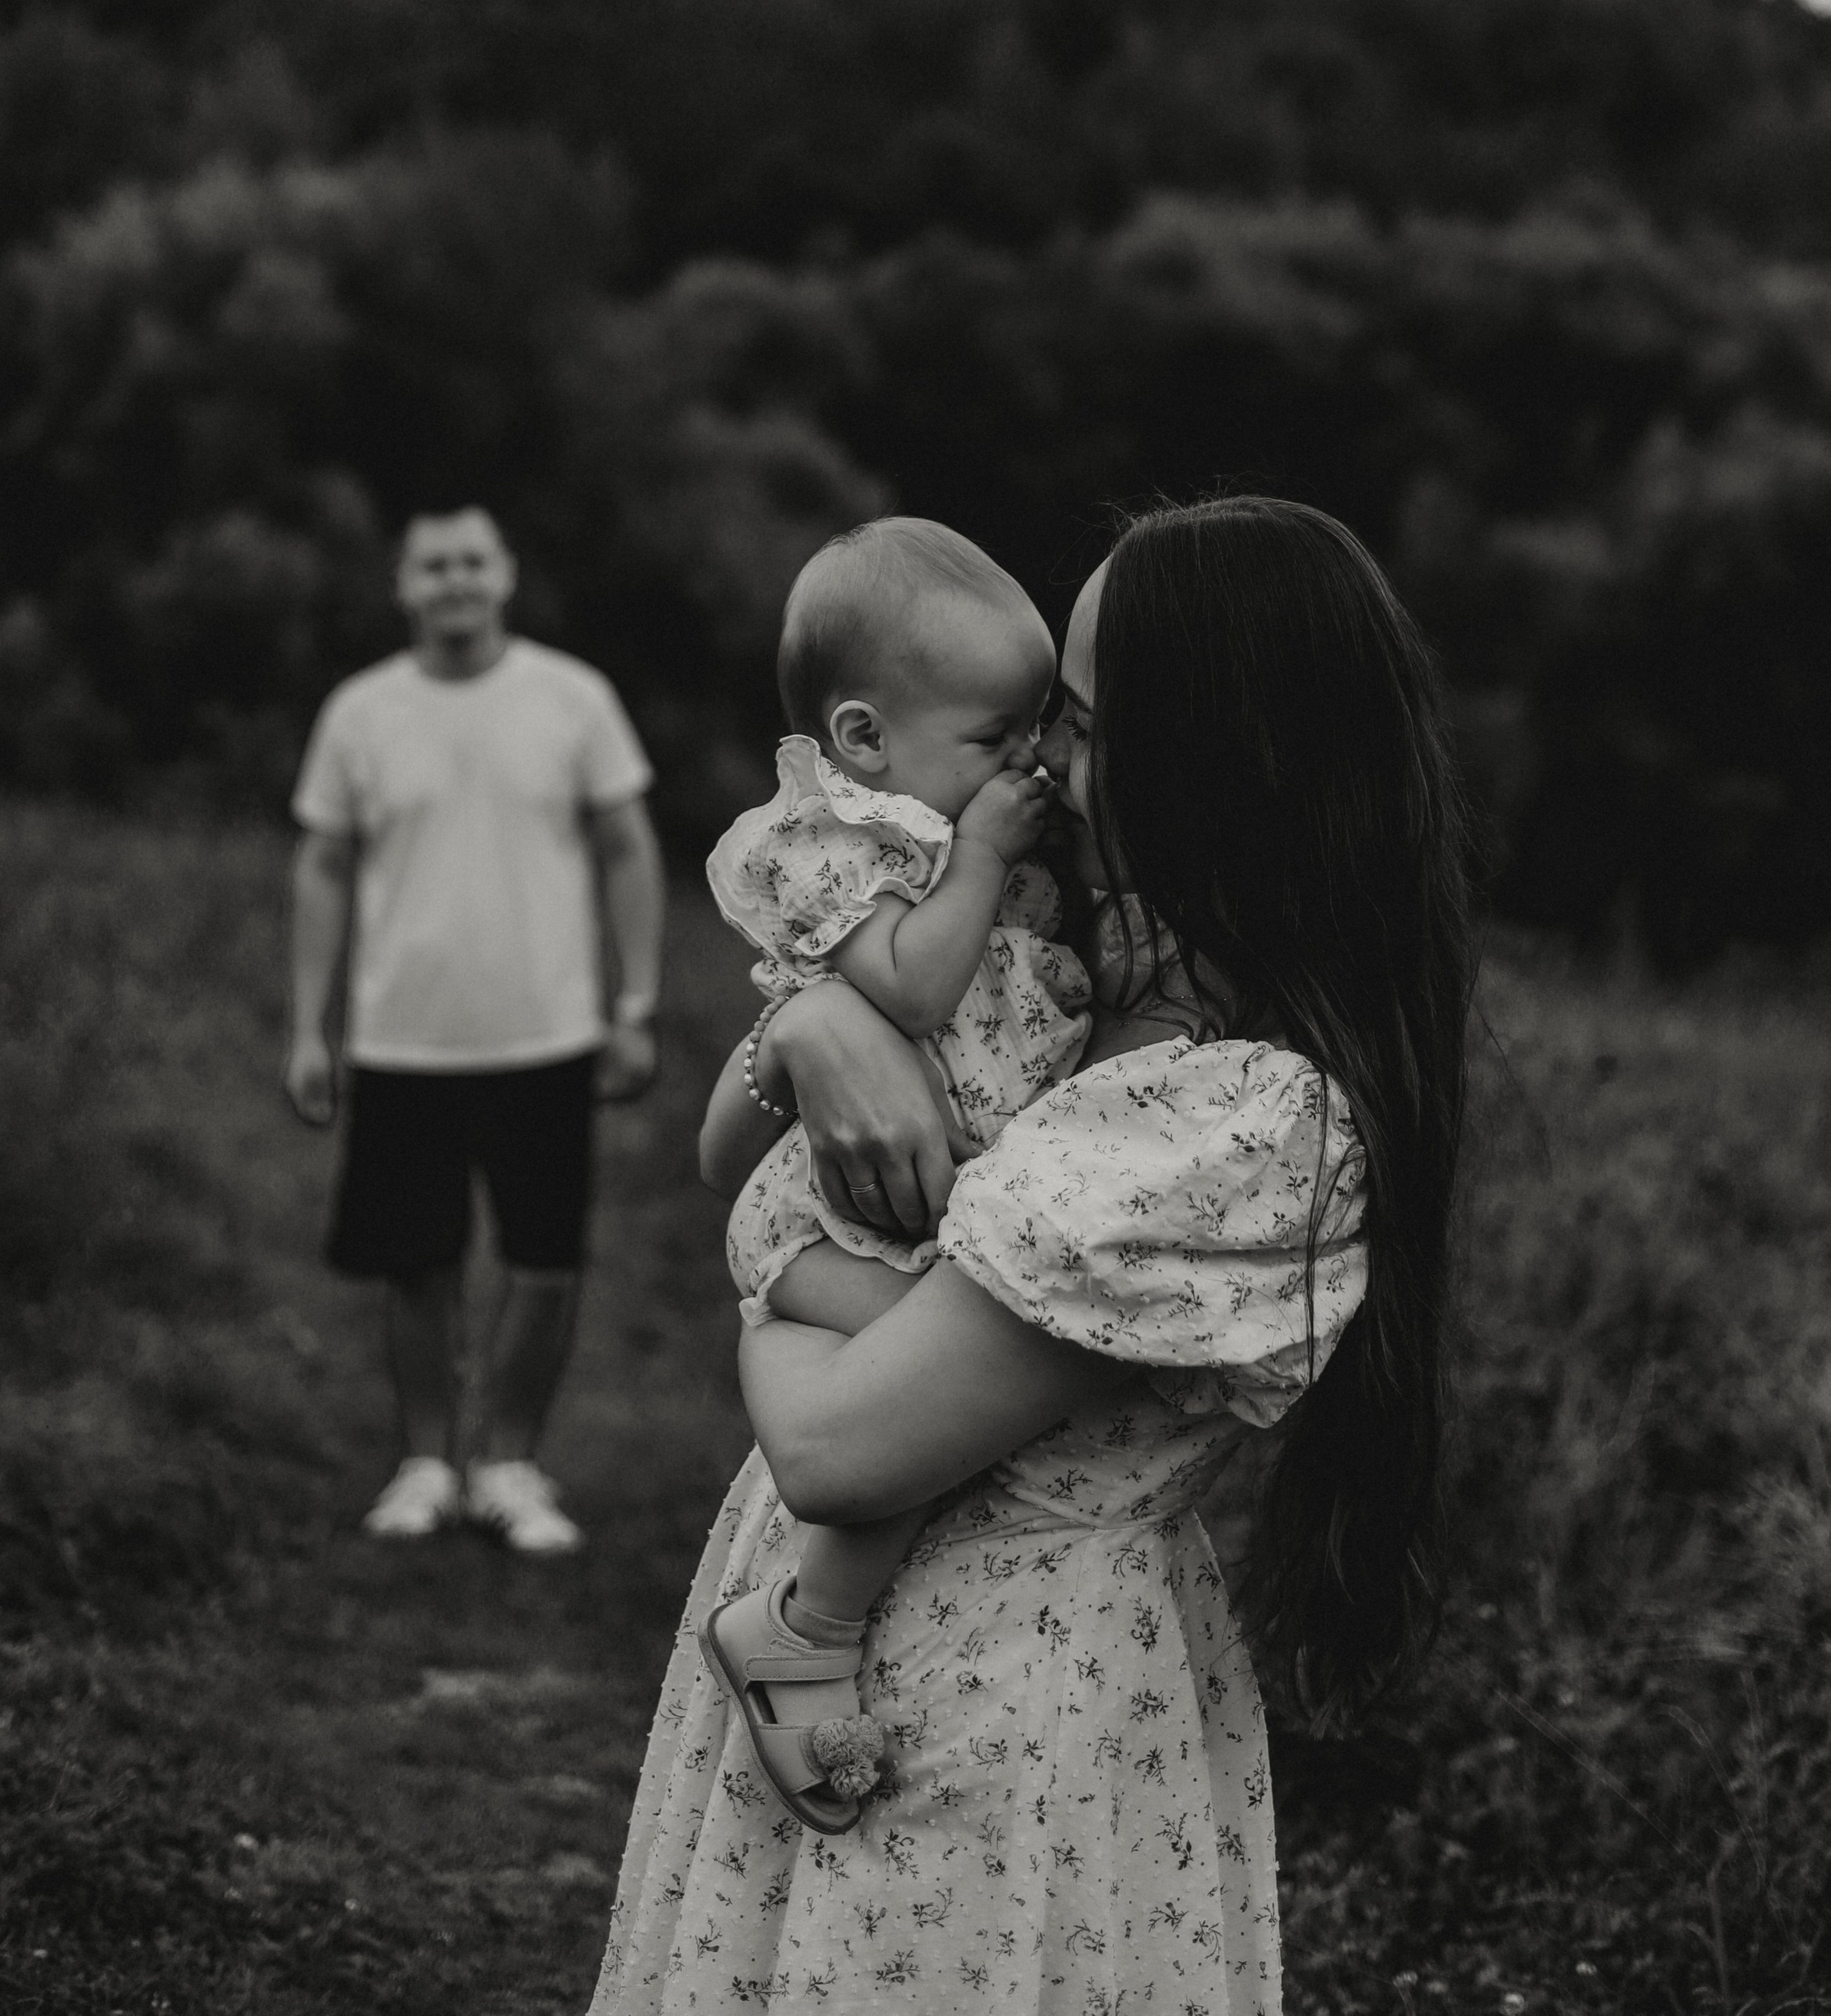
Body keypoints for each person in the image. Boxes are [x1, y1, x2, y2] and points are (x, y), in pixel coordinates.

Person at [588, 495, 1473, 2014]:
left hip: (993, 1701)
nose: (1037, 766)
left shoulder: (1247, 1113)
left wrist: (770, 1284)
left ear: (1212, 763)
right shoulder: (1085, 962)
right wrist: (806, 1026)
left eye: (1071, 721)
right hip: (861, 1647)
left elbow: (837, 1450)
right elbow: (721, 1154)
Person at [697, 517, 1094, 1818]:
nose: (1026, 763)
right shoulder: (840, 851)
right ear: (865, 738)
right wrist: (983, 854)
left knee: (927, 1397)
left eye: (1039, 729)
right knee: (919, 1401)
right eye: (997, 738)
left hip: (902, 1216)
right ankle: (811, 1625)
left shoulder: (945, 838)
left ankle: (811, 1615)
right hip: (836, 1222)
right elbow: (917, 997)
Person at [285, 505, 665, 1556]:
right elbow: (320, 868)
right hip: (401, 1036)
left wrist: (633, 1005)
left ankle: (509, 1465)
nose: (454, 580)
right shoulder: (361, 712)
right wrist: (309, 1030)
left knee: (544, 1261)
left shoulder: (572, 698)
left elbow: (628, 848)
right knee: (417, 1261)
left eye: (472, 561)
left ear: (505, 574)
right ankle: (423, 1465)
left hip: (547, 1032)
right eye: (432, 565)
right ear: (404, 585)